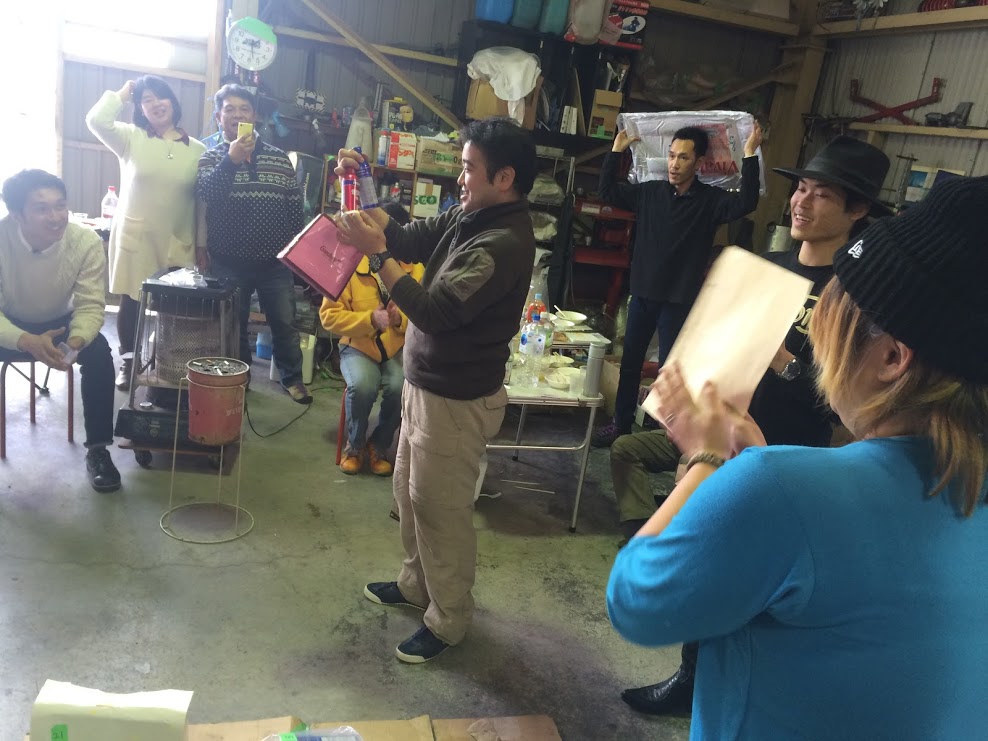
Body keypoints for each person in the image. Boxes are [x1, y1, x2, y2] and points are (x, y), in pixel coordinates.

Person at [607, 174, 988, 740]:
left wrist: (708, 461)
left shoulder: (782, 488)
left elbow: (637, 599)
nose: (824, 343)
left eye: (837, 319)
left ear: (891, 358)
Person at [616, 136, 892, 716]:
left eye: (821, 195)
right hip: (721, 446)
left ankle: (738, 692)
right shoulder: (769, 269)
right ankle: (691, 678)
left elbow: (841, 404)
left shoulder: (853, 298)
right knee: (705, 568)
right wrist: (684, 385)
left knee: (757, 585)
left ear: (858, 210)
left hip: (789, 458)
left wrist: (782, 358)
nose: (801, 202)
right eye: (800, 188)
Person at [333, 117, 536, 663]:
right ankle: (416, 585)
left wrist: (378, 257)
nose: (460, 178)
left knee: (440, 510)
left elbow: (434, 312)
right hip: (426, 386)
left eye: (469, 168)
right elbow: (406, 236)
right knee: (409, 494)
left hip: (457, 400)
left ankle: (448, 619)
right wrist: (362, 186)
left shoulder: (501, 243)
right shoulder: (470, 215)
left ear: (505, 178)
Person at [592, 123, 763, 448]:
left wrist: (750, 154)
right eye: (671, 156)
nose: (674, 164)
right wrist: (616, 151)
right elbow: (608, 193)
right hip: (643, 293)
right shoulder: (650, 193)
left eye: (683, 158)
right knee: (630, 365)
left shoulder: (710, 201)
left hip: (678, 299)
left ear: (699, 163)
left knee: (670, 373)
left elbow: (746, 203)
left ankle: (666, 437)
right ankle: (621, 425)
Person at [0, 170, 119, 491]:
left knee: (99, 354)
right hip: (9, 323)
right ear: (16, 214)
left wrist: (75, 343)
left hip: (61, 324)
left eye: (60, 205)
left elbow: (91, 305)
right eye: (41, 208)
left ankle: (98, 449)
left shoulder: (85, 241)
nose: (55, 217)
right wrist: (25, 340)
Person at [86, 75, 207, 391]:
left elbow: (201, 202)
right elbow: (96, 120)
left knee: (174, 307)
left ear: (173, 102)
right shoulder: (130, 137)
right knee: (131, 302)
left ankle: (168, 363)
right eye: (147, 100)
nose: (155, 104)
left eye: (160, 96)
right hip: (136, 238)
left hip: (178, 241)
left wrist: (201, 244)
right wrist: (122, 93)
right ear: (140, 108)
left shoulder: (198, 149)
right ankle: (129, 362)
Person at [196, 84, 311, 404]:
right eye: (229, 109)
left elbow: (294, 209)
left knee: (285, 324)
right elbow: (207, 195)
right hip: (228, 261)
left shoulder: (279, 158)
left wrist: (295, 254)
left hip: (275, 264)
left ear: (255, 116)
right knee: (233, 326)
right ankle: (239, 379)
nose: (237, 115)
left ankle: (293, 378)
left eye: (243, 109)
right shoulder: (210, 158)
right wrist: (231, 160)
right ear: (218, 117)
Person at [319, 201, 424, 475]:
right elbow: (328, 317)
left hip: (395, 347)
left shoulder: (416, 269)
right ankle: (354, 447)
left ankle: (378, 445)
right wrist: (369, 320)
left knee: (401, 388)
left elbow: (425, 316)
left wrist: (400, 319)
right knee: (363, 385)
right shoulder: (349, 263)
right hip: (357, 346)